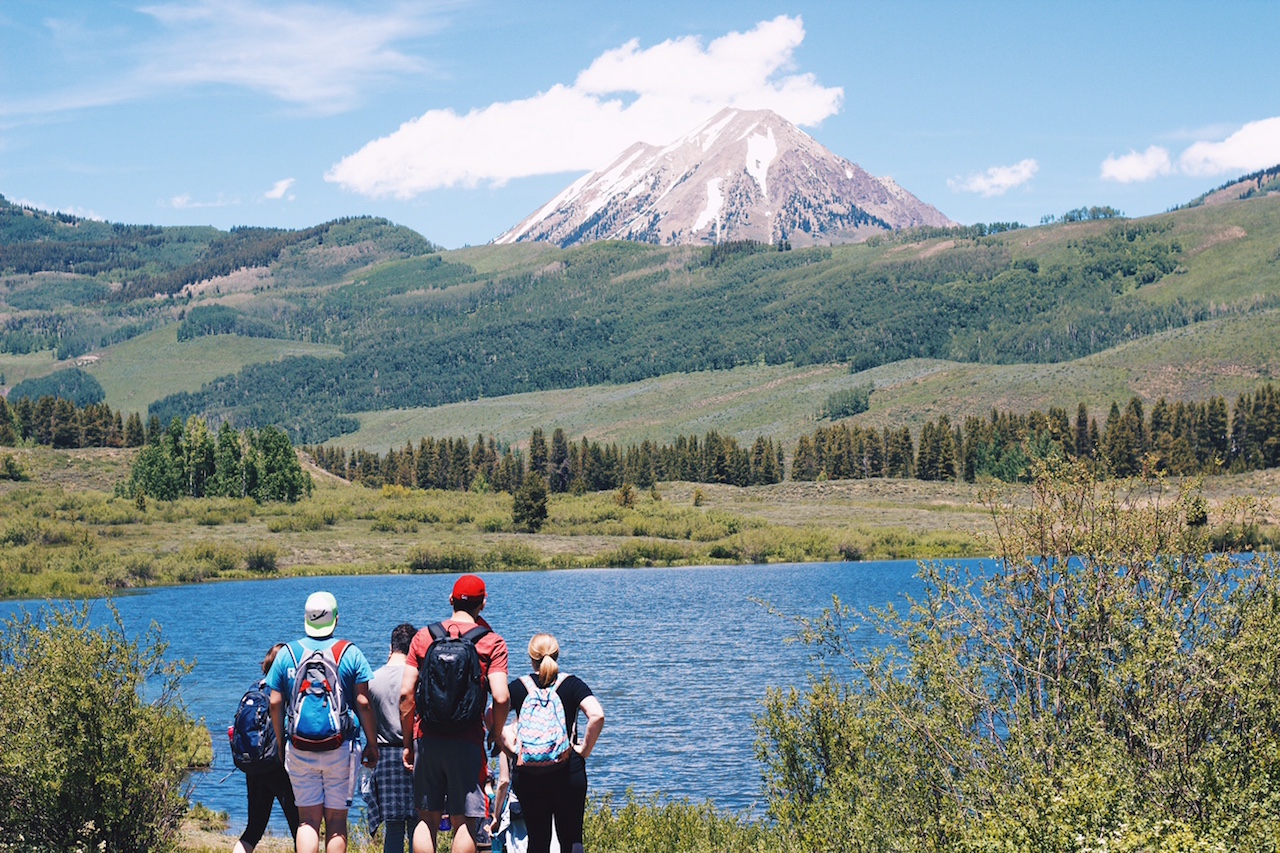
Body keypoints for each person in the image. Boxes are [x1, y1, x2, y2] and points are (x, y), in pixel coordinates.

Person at [400, 575, 510, 853]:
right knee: (464, 822)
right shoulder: (492, 642)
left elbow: (405, 696)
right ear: (483, 604)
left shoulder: (423, 637)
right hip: (468, 739)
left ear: (450, 599)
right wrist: (496, 732)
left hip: (427, 738)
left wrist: (407, 743)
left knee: (427, 818)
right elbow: (501, 696)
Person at [267, 591, 380, 853]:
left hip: (298, 746)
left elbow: (274, 702)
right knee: (337, 821)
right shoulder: (349, 652)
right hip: (341, 747)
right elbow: (363, 703)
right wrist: (372, 743)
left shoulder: (287, 654)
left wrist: (281, 740)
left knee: (307, 820)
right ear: (336, 619)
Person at [503, 634, 604, 853]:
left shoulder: (519, 687)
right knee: (572, 839)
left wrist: (510, 749)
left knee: (538, 841)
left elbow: (491, 716)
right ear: (557, 655)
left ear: (531, 658)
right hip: (569, 770)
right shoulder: (572, 684)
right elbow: (597, 715)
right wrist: (584, 750)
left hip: (528, 773)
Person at [232, 644, 300, 853]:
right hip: (279, 766)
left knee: (254, 828)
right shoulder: (285, 692)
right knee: (301, 828)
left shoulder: (255, 689)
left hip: (255, 765)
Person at [366, 623, 419, 853]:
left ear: (391, 646)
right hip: (416, 753)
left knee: (394, 827)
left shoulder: (372, 679)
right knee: (419, 824)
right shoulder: (417, 678)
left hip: (384, 755)